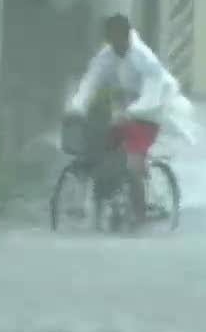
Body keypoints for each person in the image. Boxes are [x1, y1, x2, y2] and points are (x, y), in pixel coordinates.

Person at [66, 13, 197, 226]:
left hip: (149, 113)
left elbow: (153, 92)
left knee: (133, 164)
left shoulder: (144, 58)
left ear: (127, 35)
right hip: (122, 113)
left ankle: (139, 213)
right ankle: (104, 202)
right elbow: (91, 81)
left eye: (117, 37)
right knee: (102, 154)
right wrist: (77, 106)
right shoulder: (106, 56)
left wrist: (133, 112)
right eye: (110, 38)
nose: (114, 43)